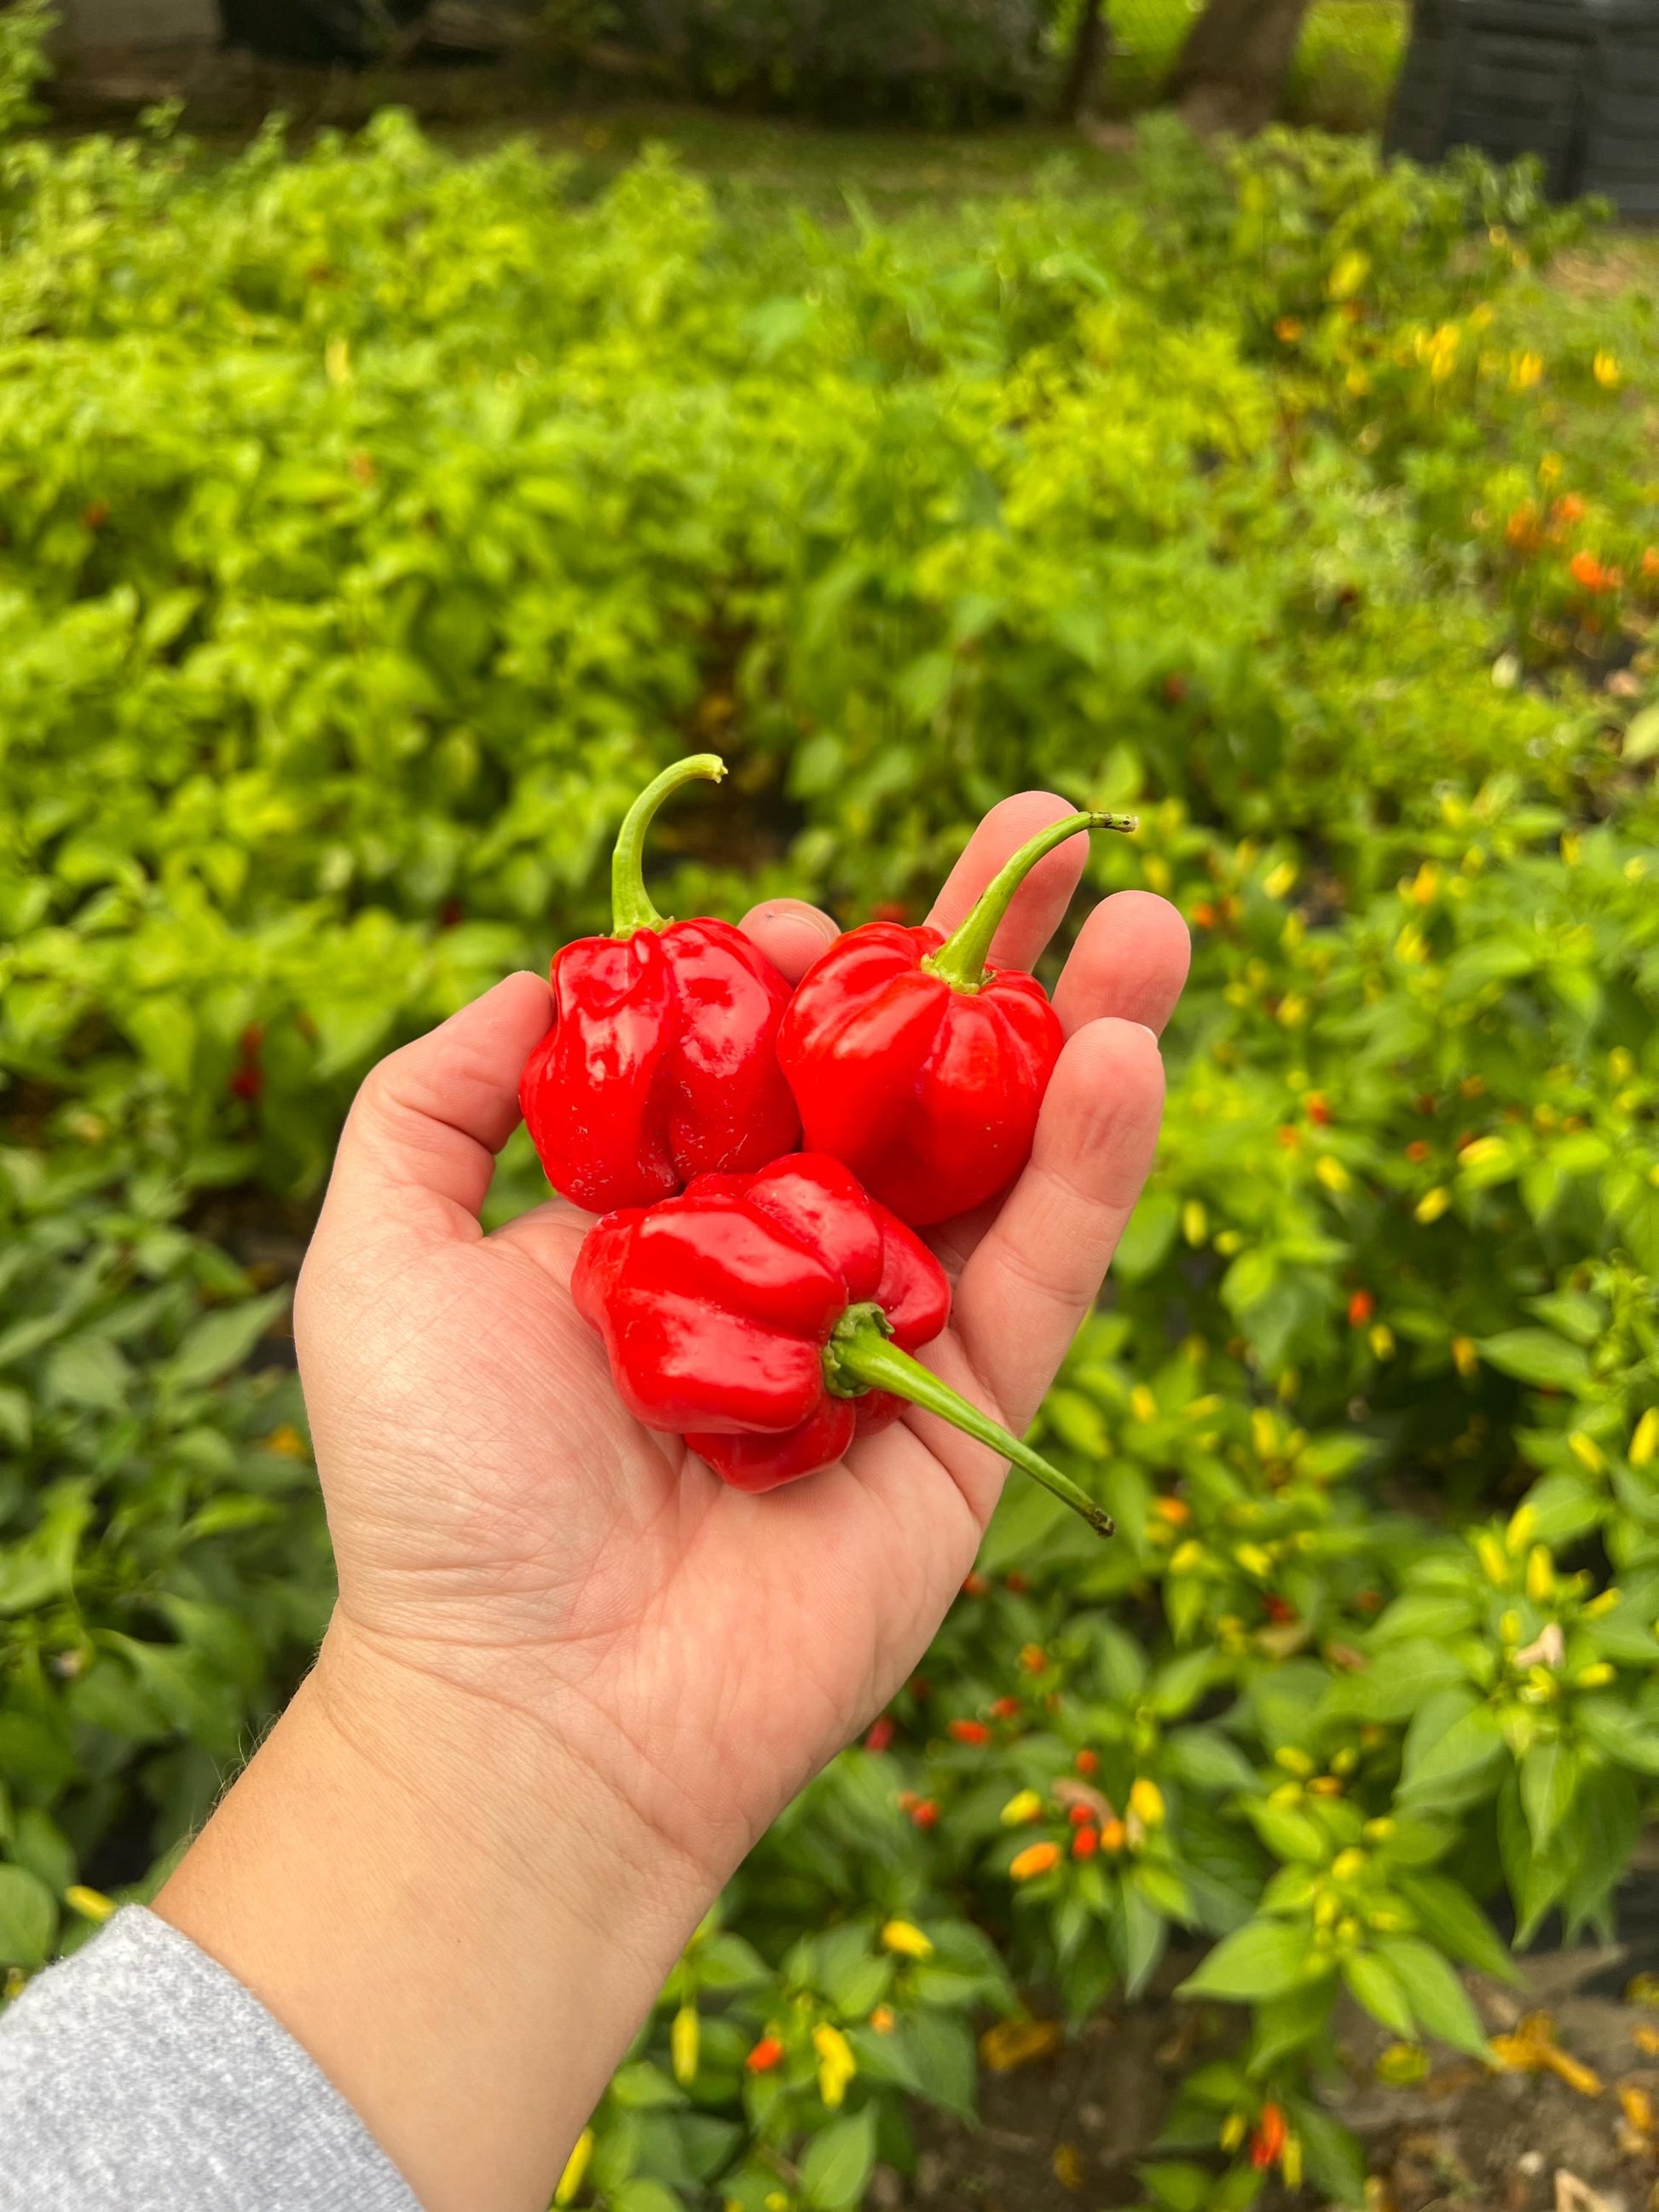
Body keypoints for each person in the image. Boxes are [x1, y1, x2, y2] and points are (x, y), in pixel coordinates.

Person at [0, 793, 1188, 2212]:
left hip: (843, 1302)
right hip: (837, 1307)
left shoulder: (863, 1197)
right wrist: (498, 1712)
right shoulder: (789, 1174)